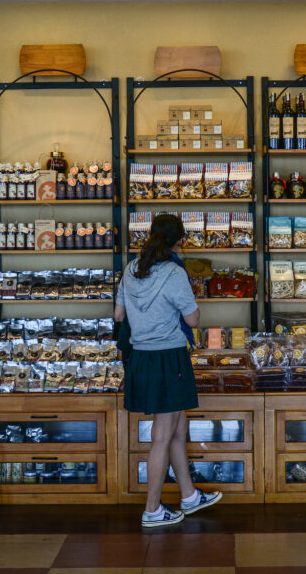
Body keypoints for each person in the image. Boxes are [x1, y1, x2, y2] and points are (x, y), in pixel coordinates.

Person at [115, 214, 222, 527]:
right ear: (179, 241)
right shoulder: (175, 274)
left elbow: (119, 314)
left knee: (177, 424)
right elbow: (192, 320)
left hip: (141, 359)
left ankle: (189, 495)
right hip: (168, 357)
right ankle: (152, 510)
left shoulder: (131, 269)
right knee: (162, 435)